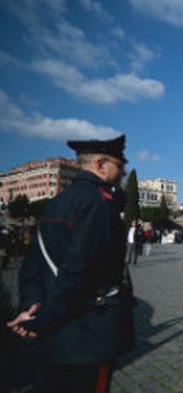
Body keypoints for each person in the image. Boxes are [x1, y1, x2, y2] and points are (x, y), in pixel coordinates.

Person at [6, 134, 135, 392]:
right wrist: (42, 319)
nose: (123, 173)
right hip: (88, 334)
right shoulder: (98, 205)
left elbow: (33, 265)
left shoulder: (56, 203)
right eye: (120, 166)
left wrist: (30, 307)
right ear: (100, 164)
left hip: (55, 337)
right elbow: (79, 272)